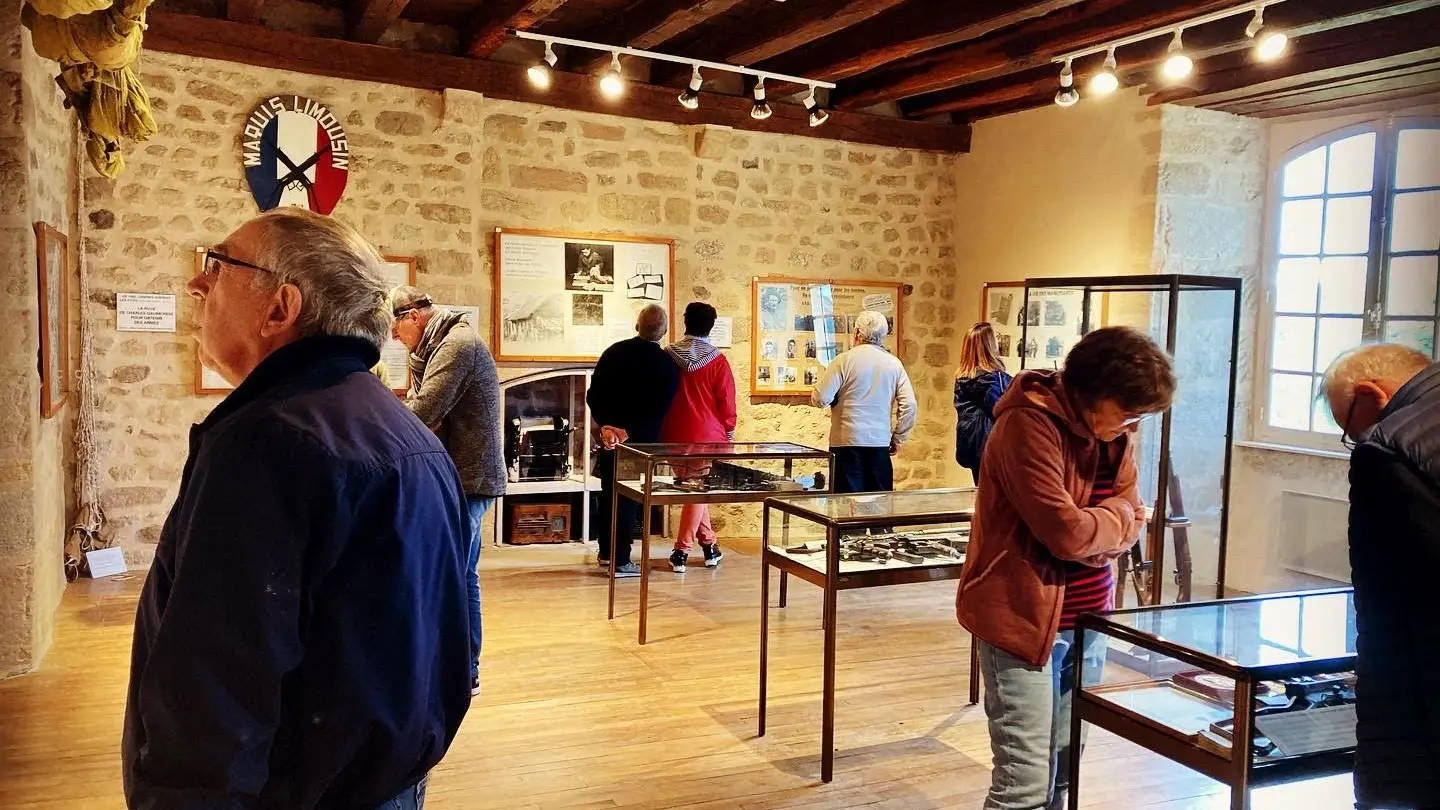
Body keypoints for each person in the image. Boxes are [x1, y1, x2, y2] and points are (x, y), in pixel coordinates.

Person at [123, 209, 471, 810]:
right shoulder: (401, 431)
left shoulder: (270, 440)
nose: (195, 284)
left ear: (280, 307)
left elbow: (217, 675)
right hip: (387, 781)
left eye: (219, 265)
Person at [955, 326, 1173, 810]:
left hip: (1090, 618)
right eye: (1128, 412)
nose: (1134, 425)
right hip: (1022, 621)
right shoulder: (1026, 425)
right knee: (1024, 786)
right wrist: (1114, 525)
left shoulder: (1114, 435)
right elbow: (1068, 533)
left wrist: (1106, 528)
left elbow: (1126, 518)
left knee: (1064, 772)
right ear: (1091, 394)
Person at [1320, 343, 1440, 810]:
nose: (1356, 438)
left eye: (1350, 427)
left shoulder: (1391, 449)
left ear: (1370, 394)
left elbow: (1396, 604)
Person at [390, 285, 506, 696]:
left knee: (458, 574)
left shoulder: (457, 345)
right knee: (456, 572)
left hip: (471, 477)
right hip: (458, 473)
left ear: (413, 317)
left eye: (395, 327)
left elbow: (423, 411)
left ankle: (465, 668)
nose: (393, 337)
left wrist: (377, 414)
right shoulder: (434, 347)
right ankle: (454, 663)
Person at [587, 305, 680, 577]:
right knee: (628, 500)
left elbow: (595, 394)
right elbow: (659, 407)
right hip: (640, 443)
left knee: (609, 494)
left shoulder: (614, 352)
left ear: (637, 326)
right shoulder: (665, 364)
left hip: (609, 440)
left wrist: (606, 426)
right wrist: (628, 430)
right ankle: (621, 561)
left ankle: (606, 551)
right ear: (663, 332)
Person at [659, 302, 737, 573]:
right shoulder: (717, 360)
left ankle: (710, 546)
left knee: (694, 491)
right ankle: (681, 551)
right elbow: (726, 401)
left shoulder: (668, 354)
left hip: (672, 432)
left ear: (685, 321)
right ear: (711, 326)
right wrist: (729, 432)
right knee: (697, 490)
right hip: (707, 434)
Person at [810, 310, 916, 493]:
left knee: (845, 510)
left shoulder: (843, 361)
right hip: (879, 443)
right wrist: (898, 438)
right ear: (883, 335)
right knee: (879, 509)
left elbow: (820, 399)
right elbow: (909, 405)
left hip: (846, 443)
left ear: (857, 333)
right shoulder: (894, 364)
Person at [954, 322, 1013, 483]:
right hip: (994, 446)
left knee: (982, 492)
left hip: (972, 444)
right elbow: (1003, 411)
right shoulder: (995, 379)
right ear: (990, 346)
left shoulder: (962, 379)